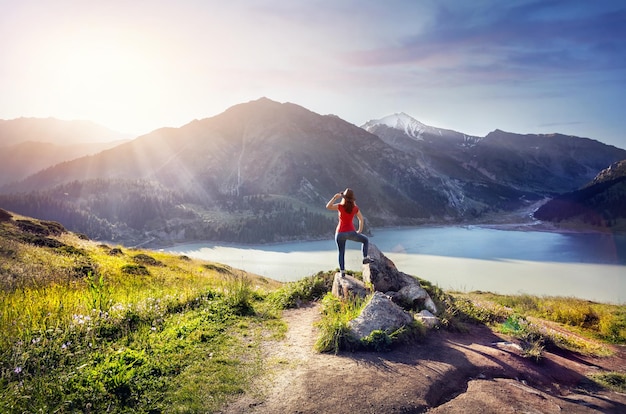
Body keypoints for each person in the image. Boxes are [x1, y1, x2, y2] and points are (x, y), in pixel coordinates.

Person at [326, 188, 372, 277]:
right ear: (352, 200)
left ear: (344, 198)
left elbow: (328, 206)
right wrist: (359, 230)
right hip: (351, 232)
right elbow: (361, 219)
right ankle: (365, 258)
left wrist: (335, 197)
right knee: (365, 240)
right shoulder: (355, 208)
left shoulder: (340, 206)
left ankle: (342, 272)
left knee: (341, 252)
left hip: (340, 233)